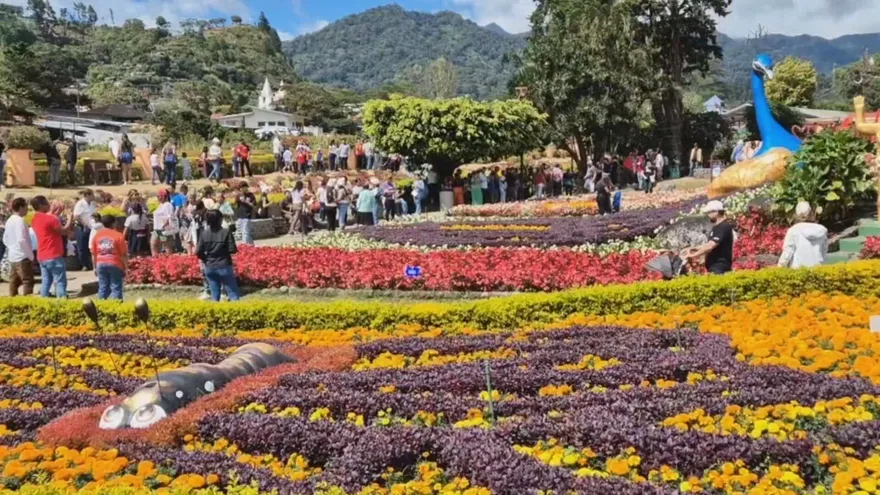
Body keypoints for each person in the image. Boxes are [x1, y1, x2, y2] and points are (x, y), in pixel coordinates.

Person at [31, 195, 74, 298]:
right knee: (60, 281)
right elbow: (64, 231)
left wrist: (54, 214)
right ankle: (61, 302)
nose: (49, 205)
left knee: (46, 281)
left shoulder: (34, 219)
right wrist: (70, 219)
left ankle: (44, 301)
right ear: (41, 205)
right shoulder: (51, 219)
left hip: (42, 255)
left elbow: (48, 226)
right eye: (47, 204)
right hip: (53, 255)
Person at [196, 209, 241, 302]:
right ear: (220, 220)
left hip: (210, 266)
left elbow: (198, 251)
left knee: (214, 294)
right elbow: (232, 249)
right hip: (224, 265)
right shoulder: (226, 232)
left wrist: (206, 260)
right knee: (232, 294)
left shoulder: (204, 233)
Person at [682, 200, 735, 275]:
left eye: (709, 212)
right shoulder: (717, 227)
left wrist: (694, 255)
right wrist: (694, 248)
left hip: (719, 266)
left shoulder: (723, 226)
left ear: (716, 212)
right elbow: (709, 244)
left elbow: (711, 245)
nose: (708, 215)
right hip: (713, 266)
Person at [778, 202, 828, 269]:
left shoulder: (794, 230)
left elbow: (787, 253)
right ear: (811, 213)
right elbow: (824, 252)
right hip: (818, 270)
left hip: (799, 272)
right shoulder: (822, 230)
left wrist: (779, 267)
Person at [91, 214, 127, 301]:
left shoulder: (97, 236)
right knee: (116, 286)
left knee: (103, 286)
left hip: (100, 263)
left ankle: (100, 306)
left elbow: (93, 254)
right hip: (115, 263)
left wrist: (94, 267)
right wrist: (126, 267)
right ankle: (117, 307)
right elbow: (123, 254)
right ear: (114, 223)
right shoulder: (118, 235)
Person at [3, 198, 34, 296]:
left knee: (14, 281)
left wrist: (12, 248)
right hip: (22, 256)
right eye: (26, 207)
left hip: (13, 256)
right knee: (27, 281)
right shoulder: (20, 221)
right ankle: (27, 302)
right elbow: (21, 240)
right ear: (21, 207)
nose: (27, 210)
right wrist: (30, 255)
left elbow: (5, 239)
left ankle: (13, 301)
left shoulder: (9, 220)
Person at [73, 189, 96, 271]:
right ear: (87, 195)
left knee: (90, 246)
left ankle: (90, 264)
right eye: (92, 195)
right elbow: (76, 216)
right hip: (82, 227)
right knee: (82, 247)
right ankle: (84, 264)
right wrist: (84, 225)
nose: (93, 197)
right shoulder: (80, 204)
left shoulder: (92, 204)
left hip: (91, 227)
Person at [151, 189, 177, 255]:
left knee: (166, 244)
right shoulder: (161, 205)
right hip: (157, 229)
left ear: (163, 196)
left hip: (162, 229)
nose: (157, 198)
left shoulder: (167, 205)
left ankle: (168, 260)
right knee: (154, 243)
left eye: (158, 196)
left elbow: (169, 217)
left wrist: (164, 226)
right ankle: (156, 258)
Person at [235, 181, 256, 246]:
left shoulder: (251, 195)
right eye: (240, 188)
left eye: (242, 187)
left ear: (246, 187)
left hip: (247, 215)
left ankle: (244, 246)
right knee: (244, 232)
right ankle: (252, 245)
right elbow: (236, 204)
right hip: (240, 215)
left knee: (245, 232)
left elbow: (254, 205)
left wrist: (246, 201)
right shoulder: (239, 195)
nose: (241, 189)